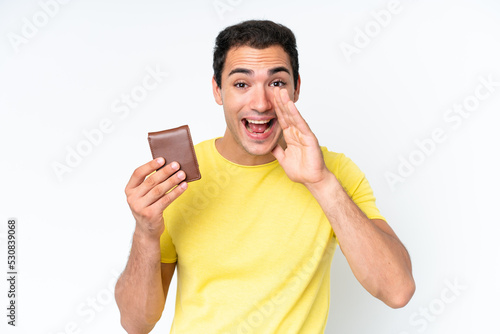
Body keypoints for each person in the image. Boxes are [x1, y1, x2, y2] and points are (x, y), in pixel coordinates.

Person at [115, 20, 415, 334]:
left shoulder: (334, 172)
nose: (260, 104)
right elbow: (136, 323)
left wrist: (321, 183)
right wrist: (146, 233)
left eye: (276, 83)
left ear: (296, 87)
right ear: (218, 90)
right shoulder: (177, 179)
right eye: (241, 84)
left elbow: (397, 290)